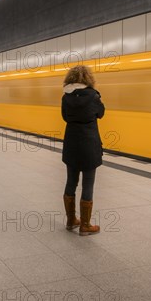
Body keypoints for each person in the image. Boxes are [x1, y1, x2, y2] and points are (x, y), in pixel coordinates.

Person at [61, 65, 105, 236]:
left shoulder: (66, 97)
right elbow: (101, 113)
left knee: (71, 181)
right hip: (89, 143)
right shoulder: (93, 96)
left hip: (71, 142)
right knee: (88, 183)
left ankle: (71, 220)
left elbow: (65, 117)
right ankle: (85, 225)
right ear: (88, 78)